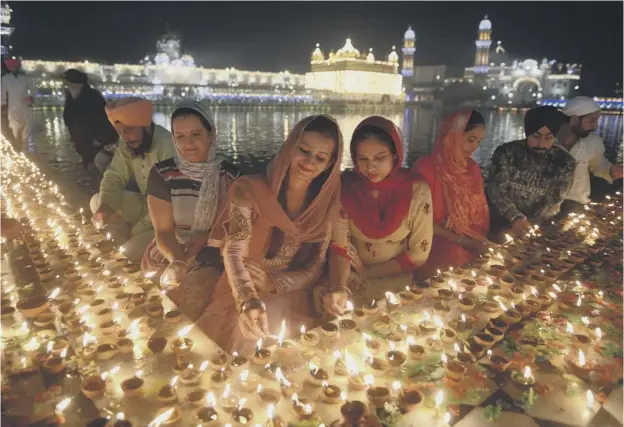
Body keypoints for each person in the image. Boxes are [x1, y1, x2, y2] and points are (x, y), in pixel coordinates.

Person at [195, 115, 343, 353]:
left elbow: (315, 266)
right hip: (244, 284)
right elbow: (234, 251)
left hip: (293, 290)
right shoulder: (250, 190)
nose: (309, 162)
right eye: (303, 150)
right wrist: (248, 299)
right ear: (289, 147)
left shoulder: (324, 205)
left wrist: (274, 283)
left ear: (329, 164)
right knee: (251, 338)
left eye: (320, 158)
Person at [321, 116, 433, 313]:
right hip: (350, 277)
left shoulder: (416, 190)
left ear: (395, 156)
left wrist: (370, 272)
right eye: (362, 159)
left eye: (379, 158)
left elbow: (419, 253)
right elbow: (339, 245)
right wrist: (340, 286)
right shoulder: (345, 187)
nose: (370, 167)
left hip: (397, 278)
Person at [142, 101, 241, 320]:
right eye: (180, 136)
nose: (188, 143)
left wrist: (206, 239)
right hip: (171, 249)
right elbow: (164, 230)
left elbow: (234, 227)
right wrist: (178, 261)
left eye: (196, 134)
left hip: (215, 251)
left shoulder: (230, 176)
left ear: (210, 134)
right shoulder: (163, 174)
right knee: (150, 303)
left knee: (193, 297)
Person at [90, 97, 176, 263]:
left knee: (127, 253)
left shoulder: (167, 146)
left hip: (168, 221)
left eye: (128, 130)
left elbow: (170, 202)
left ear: (146, 127)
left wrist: (134, 230)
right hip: (146, 206)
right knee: (97, 201)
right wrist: (106, 207)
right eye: (120, 131)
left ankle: (126, 231)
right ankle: (121, 227)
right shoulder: (128, 143)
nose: (125, 137)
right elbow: (114, 176)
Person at [412, 110, 491, 277]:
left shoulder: (471, 168)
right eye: (470, 140)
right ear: (452, 135)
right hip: (433, 242)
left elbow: (479, 218)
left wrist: (474, 241)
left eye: (479, 142)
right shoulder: (426, 167)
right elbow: (420, 222)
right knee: (454, 256)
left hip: (470, 241)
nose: (475, 147)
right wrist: (464, 242)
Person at [486, 106, 575, 239]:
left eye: (548, 138)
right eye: (535, 136)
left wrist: (531, 225)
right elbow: (496, 188)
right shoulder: (507, 152)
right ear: (527, 133)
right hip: (498, 224)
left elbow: (554, 200)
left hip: (535, 230)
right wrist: (515, 216)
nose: (541, 143)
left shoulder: (564, 162)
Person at [557, 96, 624, 215]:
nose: (595, 127)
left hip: (576, 204)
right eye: (592, 121)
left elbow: (598, 165)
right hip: (543, 204)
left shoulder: (593, 143)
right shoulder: (545, 140)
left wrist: (611, 171)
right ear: (574, 119)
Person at [62, 69, 119, 171]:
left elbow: (104, 120)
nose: (68, 86)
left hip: (97, 143)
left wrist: (99, 139)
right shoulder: (71, 97)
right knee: (90, 169)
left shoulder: (93, 97)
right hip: (84, 144)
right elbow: (68, 118)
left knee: (100, 168)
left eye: (69, 84)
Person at [0, 59, 35, 152]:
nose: (14, 69)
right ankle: (17, 150)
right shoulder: (5, 79)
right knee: (14, 128)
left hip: (26, 106)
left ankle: (25, 150)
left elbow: (34, 91)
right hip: (13, 107)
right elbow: (2, 93)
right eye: (12, 67)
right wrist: (2, 106)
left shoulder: (26, 78)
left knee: (27, 128)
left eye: (15, 67)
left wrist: (31, 98)